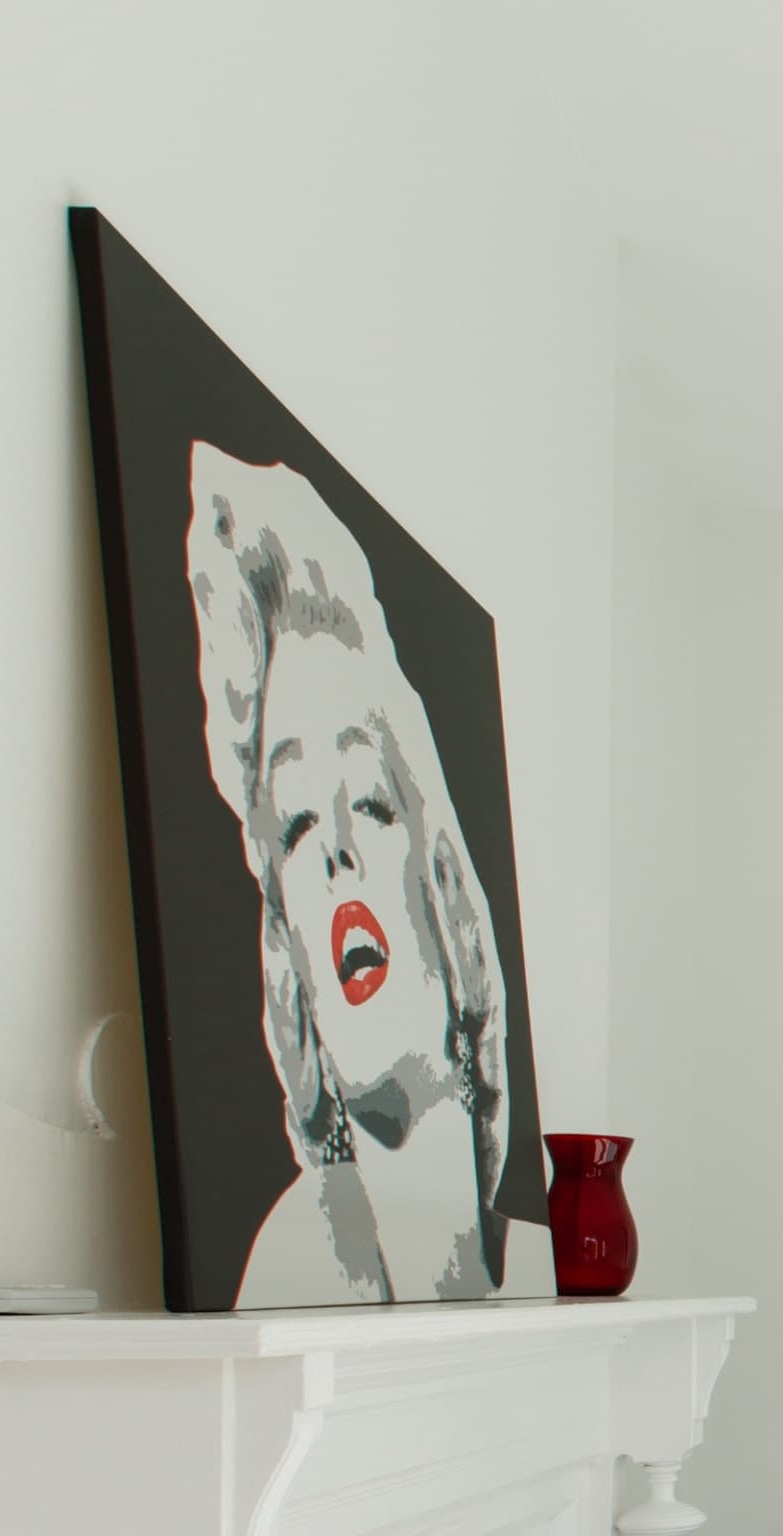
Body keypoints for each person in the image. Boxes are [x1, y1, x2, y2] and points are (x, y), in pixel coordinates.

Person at [188, 445, 514, 1302]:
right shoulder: (290, 1269)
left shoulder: (543, 1263)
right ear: (286, 953)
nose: (334, 850)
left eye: (371, 802)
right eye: (295, 823)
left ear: (445, 893)